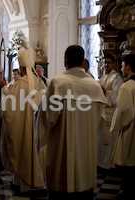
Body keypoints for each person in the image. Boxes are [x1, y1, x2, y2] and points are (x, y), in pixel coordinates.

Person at [37, 45, 107, 199]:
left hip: (61, 155)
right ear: (82, 61)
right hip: (86, 157)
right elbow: (100, 121)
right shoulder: (94, 86)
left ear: (65, 59)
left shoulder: (58, 83)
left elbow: (47, 119)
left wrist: (38, 141)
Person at [1, 47, 47, 193]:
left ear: (21, 68)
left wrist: (3, 89)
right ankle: (37, 182)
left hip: (25, 126)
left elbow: (8, 107)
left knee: (23, 149)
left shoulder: (20, 84)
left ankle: (24, 184)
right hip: (38, 127)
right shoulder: (41, 82)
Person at [110, 54, 135, 200]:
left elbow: (123, 112)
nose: (121, 68)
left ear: (128, 66)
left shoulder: (127, 87)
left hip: (130, 132)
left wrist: (116, 125)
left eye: (122, 65)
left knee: (127, 167)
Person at [98, 54, 124, 170]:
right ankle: (102, 163)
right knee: (101, 139)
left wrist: (103, 94)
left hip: (111, 112)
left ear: (113, 64)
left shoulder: (117, 77)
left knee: (110, 139)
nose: (106, 65)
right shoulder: (103, 78)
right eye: (105, 63)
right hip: (103, 112)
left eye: (108, 62)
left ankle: (110, 164)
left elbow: (116, 97)